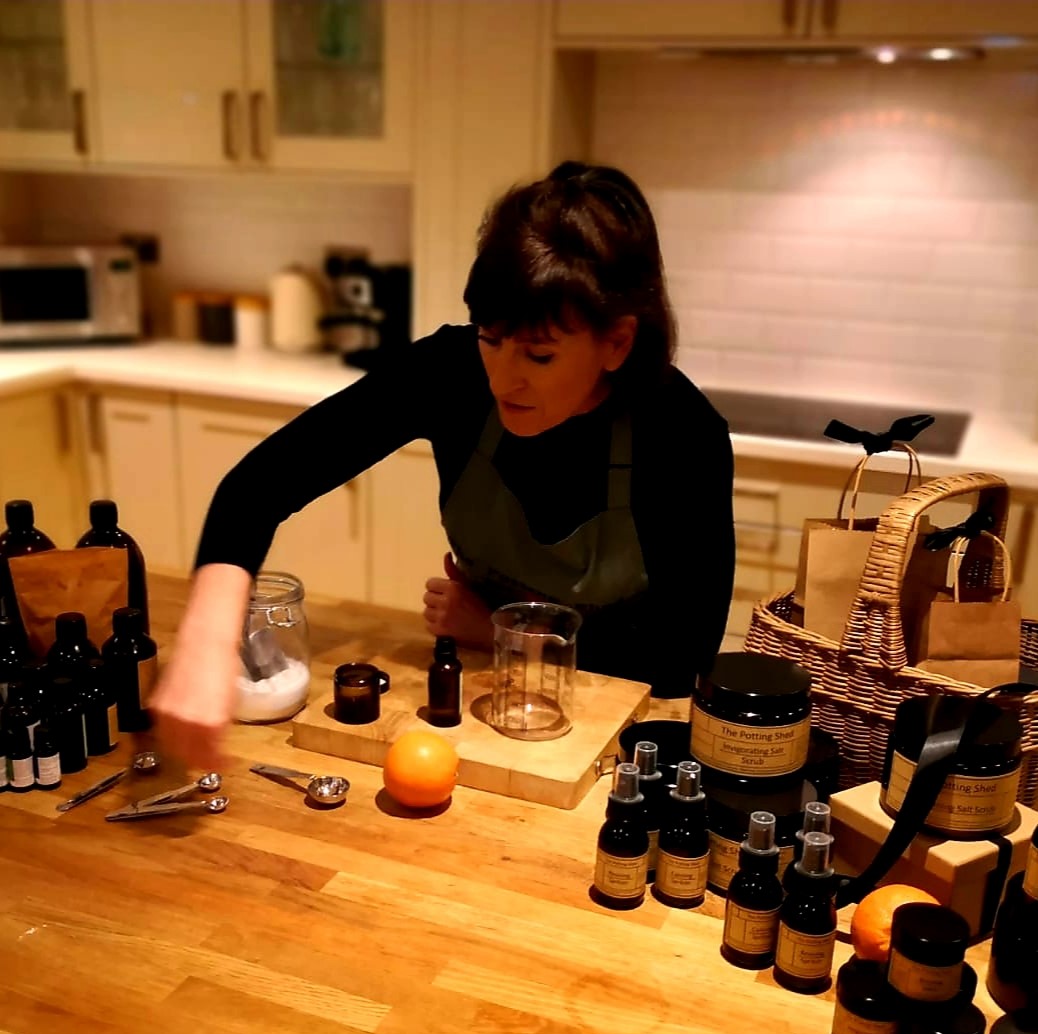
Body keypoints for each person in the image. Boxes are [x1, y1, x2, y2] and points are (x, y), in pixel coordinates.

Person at [152, 161, 735, 768]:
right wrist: (206, 638)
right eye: (490, 338)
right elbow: (260, 483)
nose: (504, 378)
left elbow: (679, 657)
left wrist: (500, 631)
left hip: (613, 733)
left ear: (615, 342)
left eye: (539, 355)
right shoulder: (451, 373)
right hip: (478, 707)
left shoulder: (681, 435)